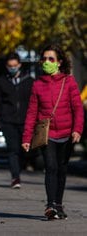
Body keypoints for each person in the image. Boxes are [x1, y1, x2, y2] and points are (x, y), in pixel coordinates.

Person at [22, 44, 83, 220]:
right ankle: (50, 205)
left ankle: (58, 204)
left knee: (62, 169)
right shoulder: (37, 84)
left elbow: (77, 108)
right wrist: (27, 137)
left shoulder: (69, 81)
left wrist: (77, 129)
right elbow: (32, 112)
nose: (47, 62)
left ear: (59, 62)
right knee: (51, 167)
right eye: (45, 59)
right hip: (47, 133)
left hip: (66, 134)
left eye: (51, 59)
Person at [0, 52, 34, 189]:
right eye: (10, 66)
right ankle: (15, 177)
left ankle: (21, 167)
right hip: (8, 121)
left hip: (25, 121)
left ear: (20, 65)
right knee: (12, 149)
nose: (12, 68)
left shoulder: (29, 81)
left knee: (24, 149)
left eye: (15, 66)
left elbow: (34, 102)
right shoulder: (1, 82)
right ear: (6, 66)